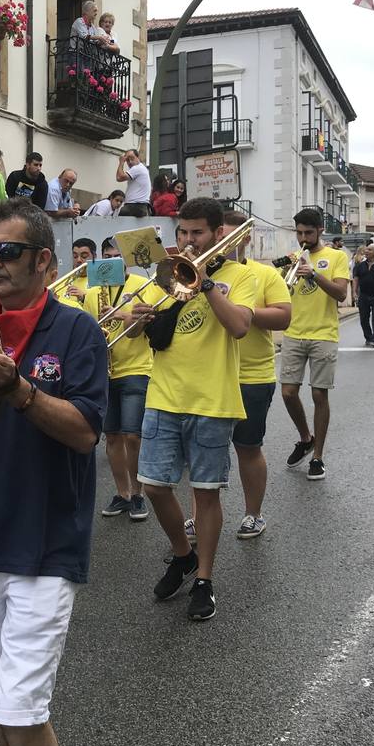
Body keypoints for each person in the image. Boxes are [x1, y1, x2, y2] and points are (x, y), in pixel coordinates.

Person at [0, 199, 107, 746]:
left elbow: (87, 433)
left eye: (7, 252)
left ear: (43, 260)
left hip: (44, 545)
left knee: (21, 713)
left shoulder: (78, 330)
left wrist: (18, 391)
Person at [131, 198, 254, 621]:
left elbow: (239, 327)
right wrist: (140, 316)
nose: (187, 240)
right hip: (163, 394)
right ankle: (183, 555)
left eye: (196, 233)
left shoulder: (242, 276)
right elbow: (135, 332)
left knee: (206, 493)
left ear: (218, 233)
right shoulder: (163, 276)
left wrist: (203, 284)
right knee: (154, 486)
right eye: (182, 232)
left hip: (212, 400)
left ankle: (204, 577)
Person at [220, 211, 291, 540]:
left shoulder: (265, 274)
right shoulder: (202, 274)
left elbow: (282, 317)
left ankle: (253, 514)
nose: (225, 243)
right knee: (202, 451)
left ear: (247, 238)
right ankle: (199, 515)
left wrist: (241, 309)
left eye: (232, 237)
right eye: (221, 236)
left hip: (252, 374)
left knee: (247, 446)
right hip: (212, 374)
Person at [278, 209, 350, 481]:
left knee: (319, 396)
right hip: (294, 332)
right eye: (299, 233)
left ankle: (318, 457)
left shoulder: (336, 257)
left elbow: (341, 293)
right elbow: (283, 292)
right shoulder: (293, 259)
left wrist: (314, 275)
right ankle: (305, 437)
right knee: (287, 393)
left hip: (323, 334)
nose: (303, 238)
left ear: (320, 230)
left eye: (308, 233)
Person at [89, 237, 152, 522]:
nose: (113, 261)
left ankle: (139, 494)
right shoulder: (93, 289)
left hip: (136, 367)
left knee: (132, 435)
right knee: (112, 436)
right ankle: (122, 493)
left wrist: (123, 315)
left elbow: (145, 325)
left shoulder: (141, 284)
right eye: (108, 257)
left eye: (117, 257)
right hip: (105, 370)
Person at [115, 150, 152, 216]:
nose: (130, 162)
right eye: (127, 160)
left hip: (134, 206)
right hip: (140, 206)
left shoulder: (137, 168)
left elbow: (119, 177)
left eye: (132, 158)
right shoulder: (142, 168)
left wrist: (121, 162)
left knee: (120, 222)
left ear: (138, 157)